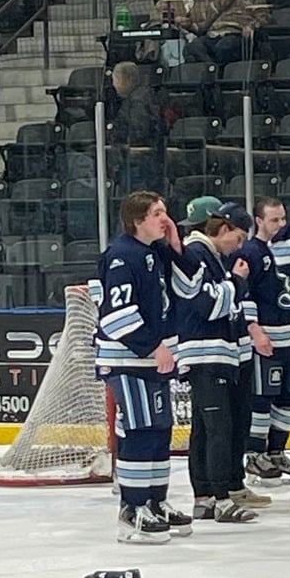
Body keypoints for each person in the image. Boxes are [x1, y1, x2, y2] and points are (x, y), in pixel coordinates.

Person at [93, 192, 201, 544]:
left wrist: (175, 245)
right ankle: (133, 507)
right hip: (129, 360)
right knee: (141, 430)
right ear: (137, 220)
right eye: (157, 214)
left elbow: (189, 288)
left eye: (165, 212)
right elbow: (117, 316)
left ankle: (156, 500)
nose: (165, 219)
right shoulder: (123, 257)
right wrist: (154, 347)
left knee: (159, 429)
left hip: (150, 360)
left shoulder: (155, 252)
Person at [171, 200, 271, 524]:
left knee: (207, 429)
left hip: (214, 355)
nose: (239, 247)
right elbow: (209, 305)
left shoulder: (210, 257)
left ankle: (206, 498)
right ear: (223, 228)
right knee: (217, 429)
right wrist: (238, 282)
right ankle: (220, 498)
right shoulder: (197, 255)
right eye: (238, 238)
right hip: (205, 355)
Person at [237, 196, 290, 483]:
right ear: (259, 221)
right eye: (274, 220)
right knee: (263, 397)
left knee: (288, 396)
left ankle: (276, 451)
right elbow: (243, 294)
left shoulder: (288, 249)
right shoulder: (250, 252)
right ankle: (254, 454)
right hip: (268, 340)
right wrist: (254, 329)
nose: (281, 224)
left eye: (283, 219)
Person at [187, 0, 270, 66]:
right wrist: (190, 25)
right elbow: (205, 23)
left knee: (224, 47)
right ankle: (212, 67)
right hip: (214, 35)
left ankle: (217, 70)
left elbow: (264, 17)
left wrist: (251, 26)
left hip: (236, 34)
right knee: (193, 46)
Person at [111, 62, 166, 195]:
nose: (114, 85)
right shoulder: (143, 96)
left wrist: (125, 146)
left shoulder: (137, 102)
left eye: (115, 80)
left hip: (139, 163)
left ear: (128, 79)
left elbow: (139, 131)